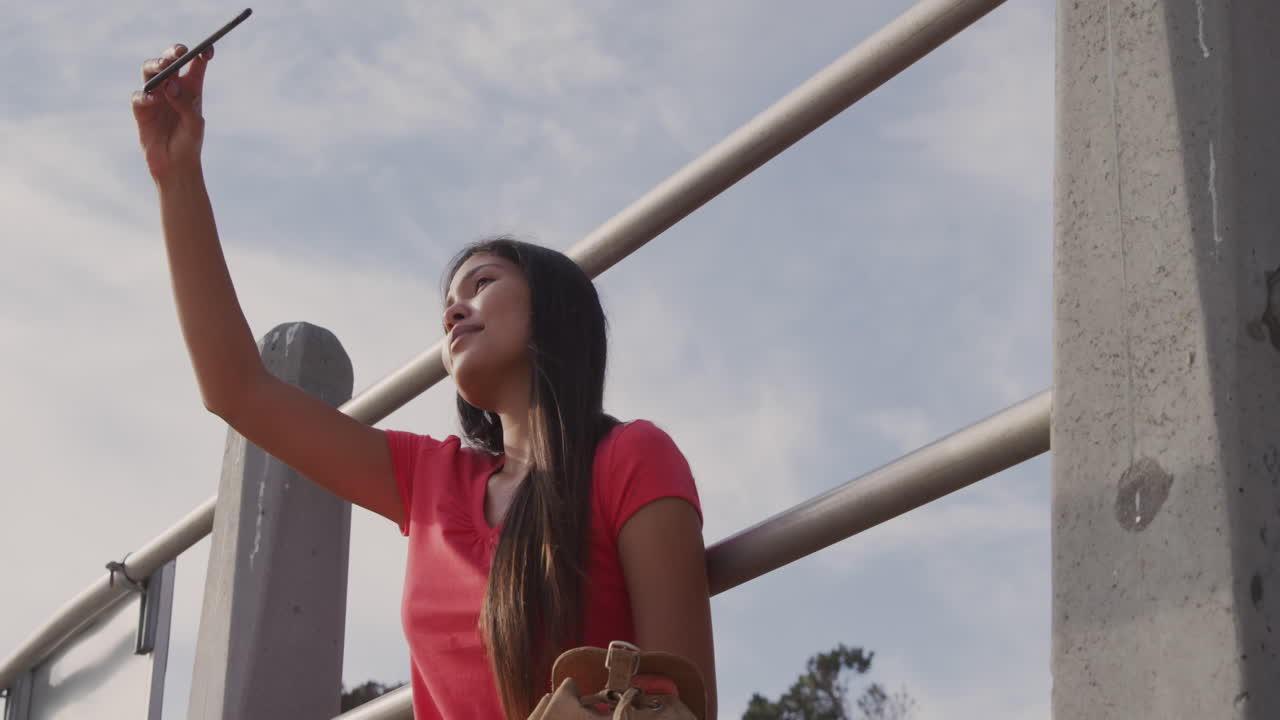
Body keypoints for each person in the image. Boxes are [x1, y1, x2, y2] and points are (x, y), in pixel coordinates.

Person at [131, 42, 717, 719]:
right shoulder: (431, 481)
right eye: (448, 300)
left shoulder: (633, 460)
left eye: (483, 283)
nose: (454, 309)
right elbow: (237, 389)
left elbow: (682, 704)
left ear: (555, 309)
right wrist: (176, 174)